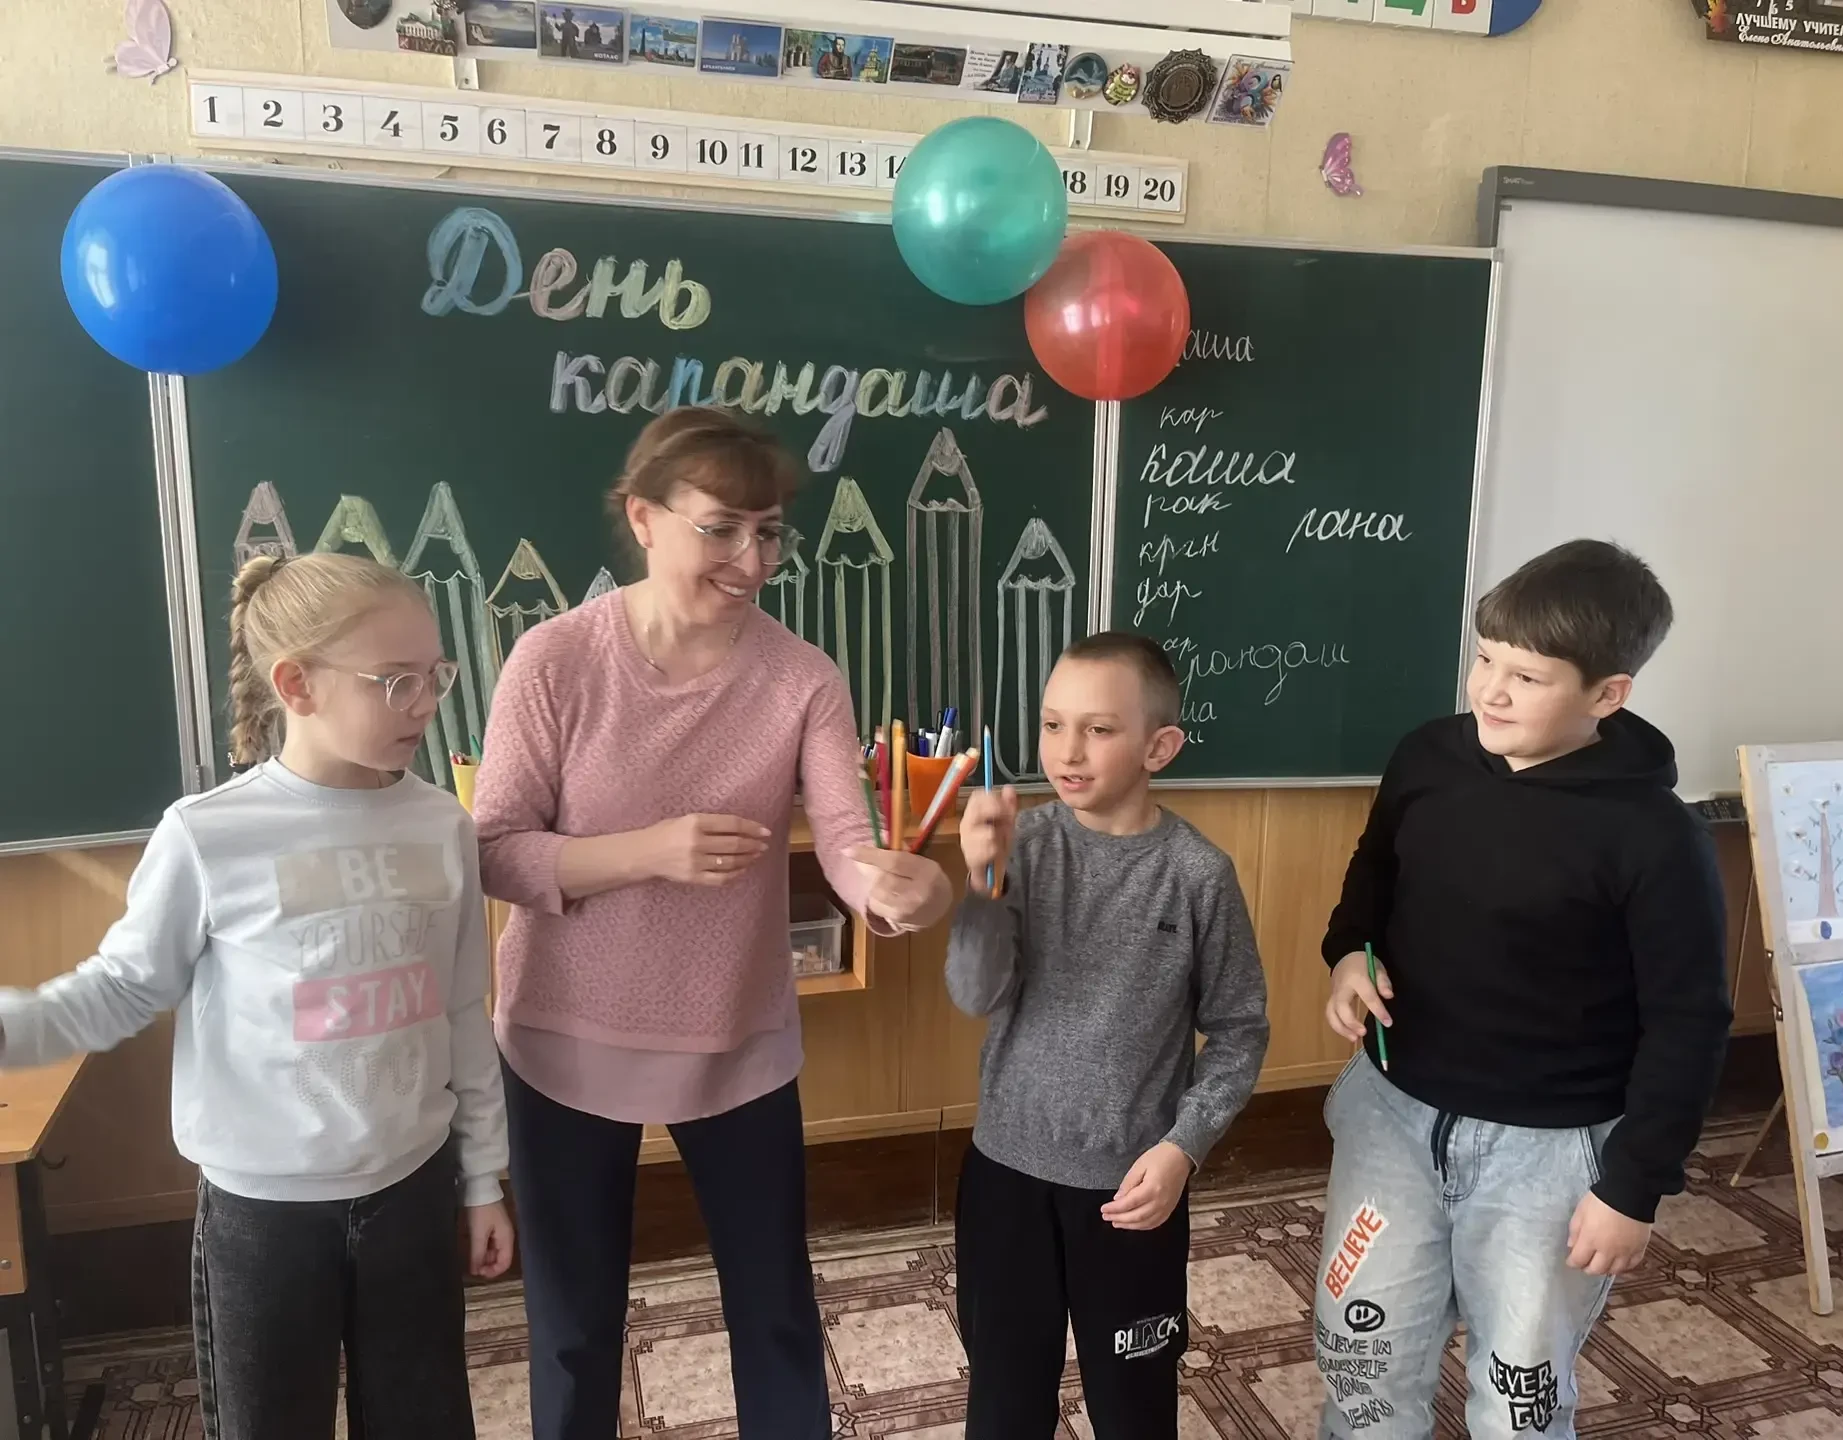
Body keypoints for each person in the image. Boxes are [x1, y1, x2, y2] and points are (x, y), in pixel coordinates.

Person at [475, 406, 952, 1440]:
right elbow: (494, 850)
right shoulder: (553, 662)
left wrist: (889, 889)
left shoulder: (803, 676)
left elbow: (845, 839)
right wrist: (647, 852)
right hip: (563, 1037)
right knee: (573, 1327)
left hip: (736, 1041)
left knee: (775, 1309)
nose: (752, 559)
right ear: (644, 518)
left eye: (770, 531)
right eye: (722, 528)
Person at [0, 553, 512, 1440]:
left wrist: (482, 1179)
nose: (426, 703)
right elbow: (121, 988)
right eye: (396, 680)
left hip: (413, 1192)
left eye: (437, 675)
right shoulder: (210, 836)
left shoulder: (441, 825)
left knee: (426, 1418)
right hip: (264, 1214)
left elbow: (462, 1008)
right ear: (295, 684)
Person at [1314, 540, 1731, 1439]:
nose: (1490, 692)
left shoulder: (1657, 838)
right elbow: (1374, 871)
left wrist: (1633, 1187)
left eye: (1528, 677)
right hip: (1393, 1116)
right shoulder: (1429, 757)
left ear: (1607, 695)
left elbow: (1689, 1021)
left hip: (1551, 1155)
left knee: (1518, 1395)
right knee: (1362, 1361)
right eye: (1486, 660)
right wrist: (1349, 953)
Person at [947, 631, 1269, 1440]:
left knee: (1133, 1407)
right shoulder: (1022, 846)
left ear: (1159, 747)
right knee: (1003, 1402)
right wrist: (982, 883)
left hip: (1130, 1192)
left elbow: (1239, 1031)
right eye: (1052, 725)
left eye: (1098, 729)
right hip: (1006, 1176)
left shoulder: (1198, 874)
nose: (1067, 751)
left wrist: (1183, 1147)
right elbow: (973, 992)